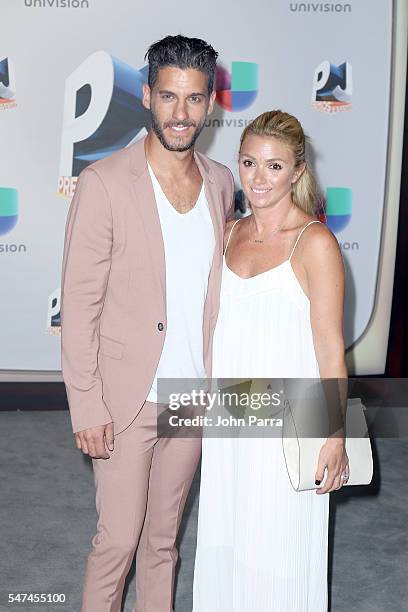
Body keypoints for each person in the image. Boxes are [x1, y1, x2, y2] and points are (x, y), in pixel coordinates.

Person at [60, 35, 234, 612]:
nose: (180, 114)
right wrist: (87, 404)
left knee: (164, 543)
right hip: (124, 397)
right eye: (168, 97)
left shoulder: (220, 181)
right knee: (117, 545)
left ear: (210, 102)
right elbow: (80, 302)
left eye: (193, 99)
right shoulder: (105, 182)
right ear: (147, 98)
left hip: (191, 396)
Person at [193, 110, 349, 611]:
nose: (259, 178)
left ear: (298, 171)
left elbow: (329, 346)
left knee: (277, 552)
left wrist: (336, 433)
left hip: (289, 422)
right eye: (249, 163)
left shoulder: (315, 243)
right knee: (227, 541)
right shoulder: (229, 233)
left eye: (275, 167)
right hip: (231, 418)